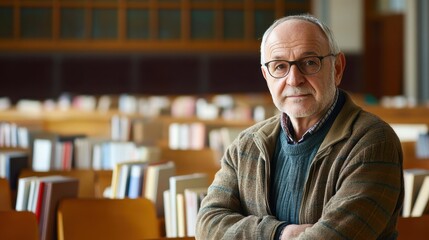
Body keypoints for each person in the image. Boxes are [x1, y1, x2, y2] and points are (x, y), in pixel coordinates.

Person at [195, 14, 403, 240]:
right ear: (266, 76)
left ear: (337, 68)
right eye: (279, 66)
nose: (294, 79)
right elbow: (207, 225)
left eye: (310, 62)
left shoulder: (372, 142)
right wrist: (278, 233)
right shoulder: (246, 145)